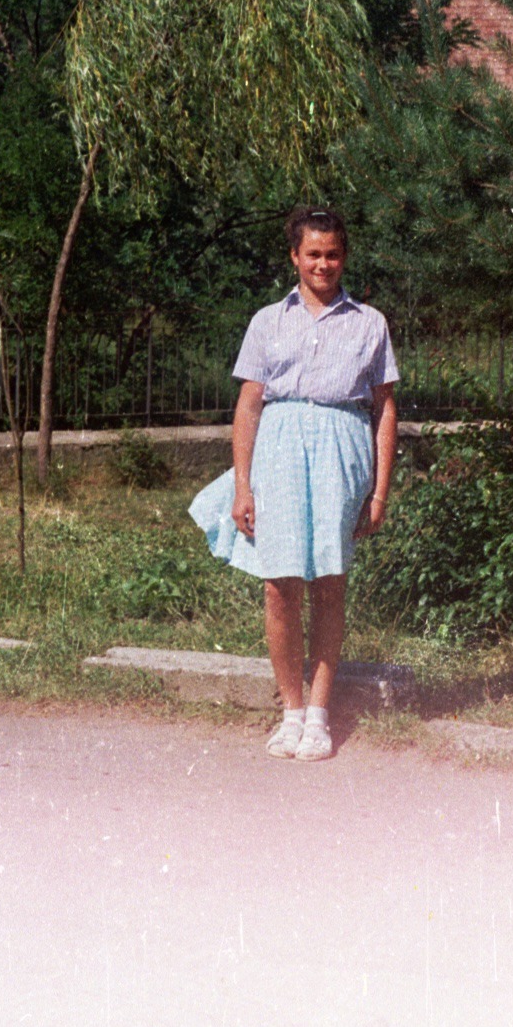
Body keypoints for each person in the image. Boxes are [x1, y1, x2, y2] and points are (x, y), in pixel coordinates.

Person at [189, 206, 398, 762]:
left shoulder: (369, 323)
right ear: (295, 257)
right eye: (313, 254)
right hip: (277, 453)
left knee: (329, 581)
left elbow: (384, 408)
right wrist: (242, 486)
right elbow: (250, 404)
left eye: (332, 254)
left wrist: (379, 491)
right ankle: (291, 711)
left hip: (340, 452)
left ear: (344, 256)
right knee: (280, 586)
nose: (323, 264)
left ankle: (321, 714)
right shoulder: (267, 321)